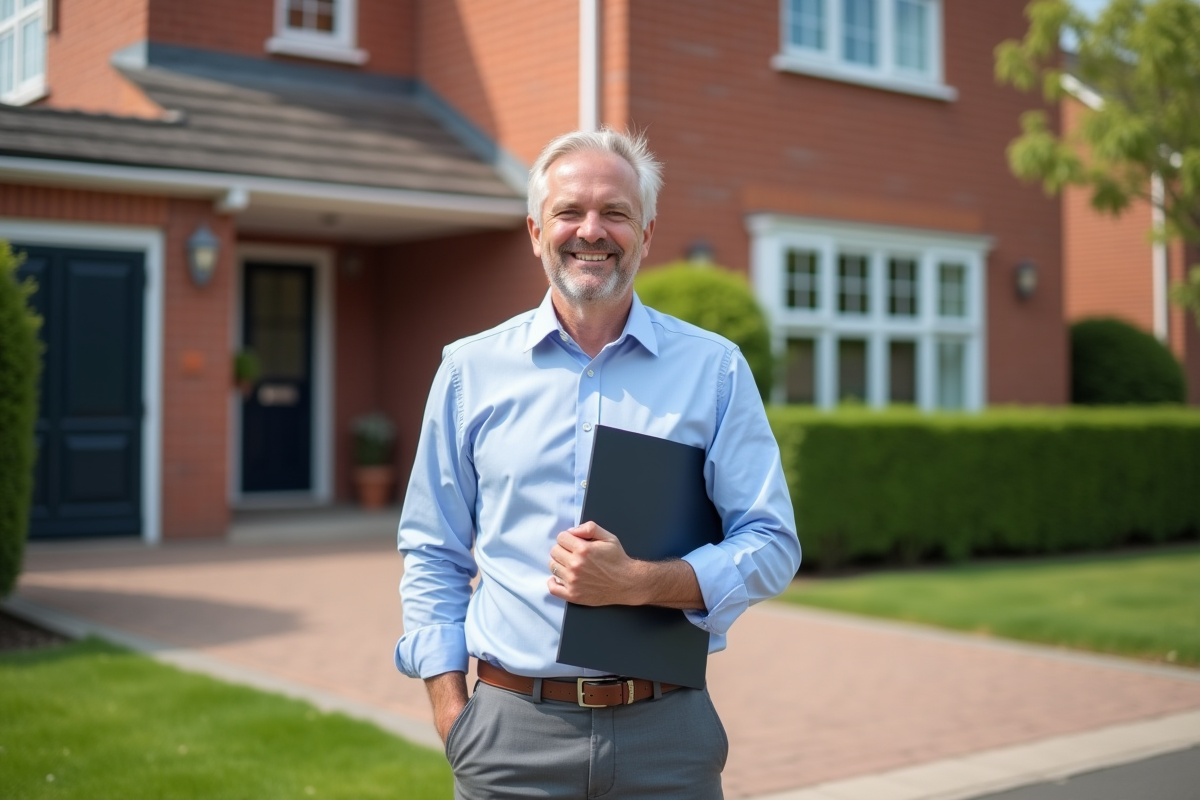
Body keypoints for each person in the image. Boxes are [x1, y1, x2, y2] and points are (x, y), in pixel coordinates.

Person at [395, 128, 800, 799]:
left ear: (646, 232)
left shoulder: (714, 370)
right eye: (569, 213)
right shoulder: (469, 371)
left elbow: (772, 543)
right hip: (509, 733)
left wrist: (640, 581)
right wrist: (449, 706)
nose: (592, 230)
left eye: (615, 212)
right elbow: (432, 547)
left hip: (666, 734)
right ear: (534, 231)